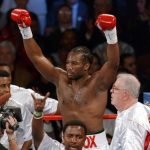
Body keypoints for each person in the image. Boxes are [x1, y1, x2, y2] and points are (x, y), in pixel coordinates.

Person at [11, 9, 119, 149]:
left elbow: (113, 64)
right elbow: (37, 58)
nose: (69, 67)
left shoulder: (97, 83)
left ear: (86, 66)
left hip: (95, 144)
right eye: (68, 62)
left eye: (74, 63)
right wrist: (24, 29)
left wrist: (111, 33)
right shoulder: (60, 79)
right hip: (68, 143)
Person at [110, 73, 150, 149]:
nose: (111, 91)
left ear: (125, 95)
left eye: (115, 88)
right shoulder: (140, 108)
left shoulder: (131, 121)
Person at [0, 69, 33, 150]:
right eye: (3, 86)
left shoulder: (18, 107)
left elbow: (31, 135)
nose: (8, 90)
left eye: (9, 85)